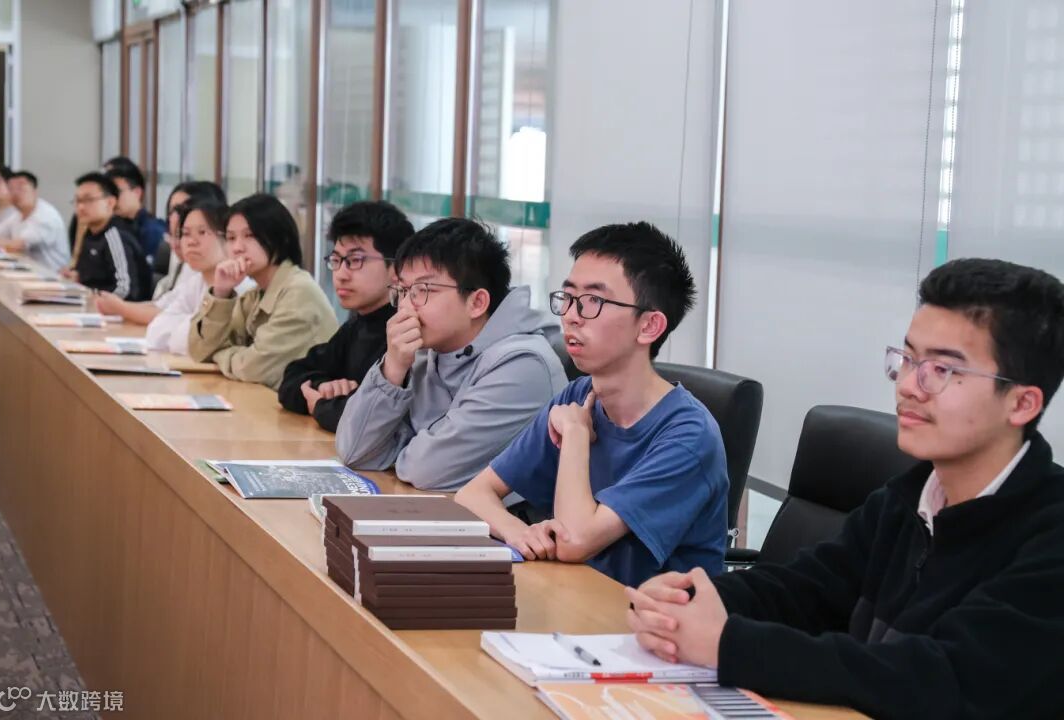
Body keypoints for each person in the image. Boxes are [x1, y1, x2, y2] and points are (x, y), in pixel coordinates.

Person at [627, 258, 1064, 720]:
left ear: (1021, 403)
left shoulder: (1050, 537)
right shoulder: (907, 499)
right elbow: (806, 590)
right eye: (908, 359)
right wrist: (689, 601)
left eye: (941, 369)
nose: (909, 386)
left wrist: (729, 645)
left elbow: (940, 679)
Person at [455, 223, 727, 587]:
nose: (571, 315)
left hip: (649, 615)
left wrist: (576, 435)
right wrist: (518, 533)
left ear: (649, 326)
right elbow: (473, 493)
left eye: (594, 301)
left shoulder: (689, 436)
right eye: (568, 297)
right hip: (574, 594)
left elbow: (574, 541)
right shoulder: (578, 395)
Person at [336, 217, 568, 490]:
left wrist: (397, 448)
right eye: (403, 291)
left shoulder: (523, 365)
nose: (405, 308)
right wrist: (393, 368)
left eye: (422, 290)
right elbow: (354, 451)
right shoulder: (426, 352)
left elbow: (425, 471)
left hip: (511, 518)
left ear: (477, 302)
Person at [278, 201, 414, 432]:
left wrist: (321, 406)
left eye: (354, 261)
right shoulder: (357, 325)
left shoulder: (407, 332)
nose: (340, 274)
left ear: (396, 268)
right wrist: (324, 386)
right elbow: (291, 378)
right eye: (336, 260)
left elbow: (375, 418)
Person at [188, 193, 337, 390]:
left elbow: (253, 369)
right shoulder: (255, 295)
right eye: (231, 238)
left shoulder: (299, 292)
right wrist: (221, 292)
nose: (237, 248)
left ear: (280, 238)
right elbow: (199, 350)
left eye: (249, 236)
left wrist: (219, 354)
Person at [94, 181, 228, 326]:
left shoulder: (224, 276)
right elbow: (165, 308)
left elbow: (180, 321)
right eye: (185, 233)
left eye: (202, 232)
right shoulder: (194, 272)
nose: (176, 215)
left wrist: (120, 308)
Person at [144, 196, 254, 355]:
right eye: (185, 233)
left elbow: (196, 345)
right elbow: (155, 332)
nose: (191, 242)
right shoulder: (196, 282)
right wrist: (194, 324)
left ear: (226, 238)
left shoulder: (243, 288)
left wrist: (185, 324)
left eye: (202, 232)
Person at [64, 172, 151, 300]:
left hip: (121, 310)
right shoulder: (89, 233)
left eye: (89, 200)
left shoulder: (116, 236)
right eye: (78, 201)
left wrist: (89, 297)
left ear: (110, 202)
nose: (81, 207)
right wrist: (77, 277)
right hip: (93, 306)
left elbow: (125, 290)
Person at [0, 171, 70, 272]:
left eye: (21, 188)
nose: (16, 193)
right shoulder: (18, 214)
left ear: (34, 191)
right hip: (27, 271)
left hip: (51, 276)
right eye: (11, 189)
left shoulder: (45, 216)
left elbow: (16, 246)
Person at [106, 164, 167, 262]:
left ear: (137, 192)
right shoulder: (113, 228)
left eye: (117, 192)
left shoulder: (153, 231)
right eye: (108, 194)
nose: (112, 199)